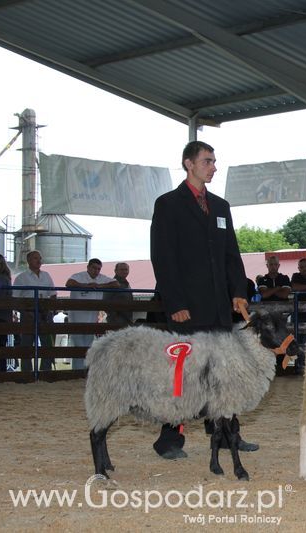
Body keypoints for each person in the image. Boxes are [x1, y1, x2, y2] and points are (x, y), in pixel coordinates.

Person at [150, 140, 254, 460]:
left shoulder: (221, 207)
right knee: (183, 374)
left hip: (219, 307)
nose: (213, 166)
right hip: (187, 308)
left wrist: (238, 292)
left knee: (222, 373)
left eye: (214, 161)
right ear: (188, 164)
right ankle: (168, 439)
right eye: (207, 161)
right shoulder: (168, 204)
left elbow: (231, 255)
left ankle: (226, 435)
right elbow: (163, 257)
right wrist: (176, 303)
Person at [65, 258, 119, 369]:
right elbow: (69, 283)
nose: (96, 271)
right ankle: (77, 371)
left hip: (91, 319)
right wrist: (85, 286)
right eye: (94, 268)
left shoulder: (101, 278)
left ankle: (84, 372)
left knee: (88, 347)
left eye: (98, 269)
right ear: (88, 267)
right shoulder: (79, 276)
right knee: (78, 346)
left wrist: (99, 286)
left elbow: (116, 284)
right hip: (76, 319)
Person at [13, 250, 57, 372]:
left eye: (40, 258)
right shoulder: (21, 278)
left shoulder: (46, 275)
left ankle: (45, 371)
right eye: (35, 258)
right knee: (27, 344)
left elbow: (53, 294)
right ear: (28, 261)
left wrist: (50, 310)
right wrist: (24, 312)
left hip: (45, 312)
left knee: (47, 344)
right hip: (28, 313)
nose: (39, 261)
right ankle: (27, 373)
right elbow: (15, 298)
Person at [102, 262, 134, 326]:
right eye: (122, 269)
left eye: (126, 269)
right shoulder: (111, 283)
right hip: (116, 320)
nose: (124, 271)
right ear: (115, 271)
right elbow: (105, 301)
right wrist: (114, 315)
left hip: (127, 319)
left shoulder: (127, 284)